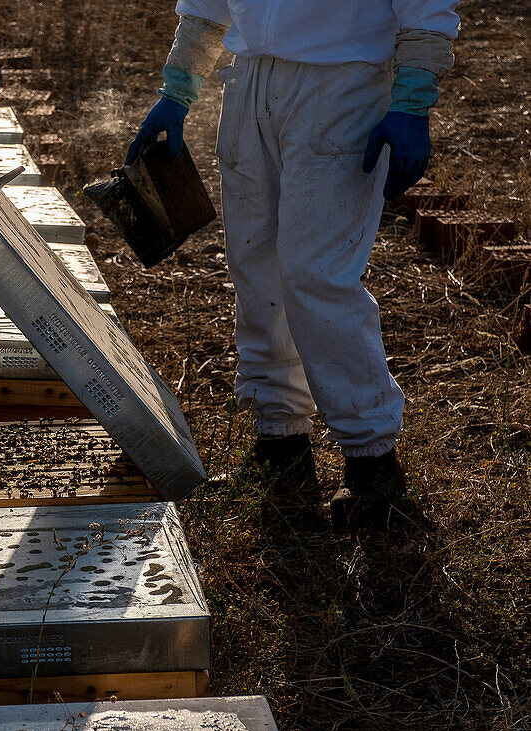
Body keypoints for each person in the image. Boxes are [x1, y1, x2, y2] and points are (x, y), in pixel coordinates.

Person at [127, 0, 459, 528]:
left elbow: (427, 8)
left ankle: (373, 464)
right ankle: (280, 442)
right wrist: (177, 90)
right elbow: (208, 9)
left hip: (343, 85)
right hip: (251, 85)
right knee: (256, 267)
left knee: (316, 275)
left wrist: (412, 100)